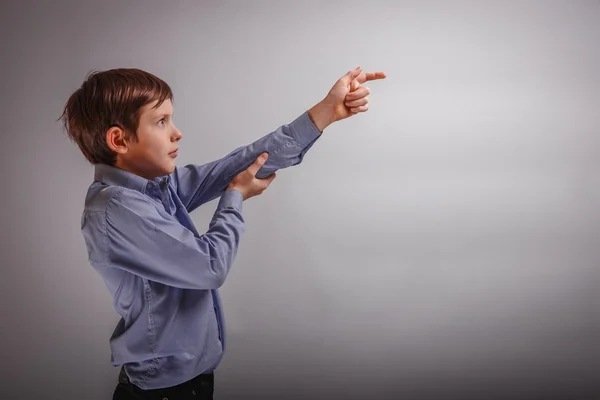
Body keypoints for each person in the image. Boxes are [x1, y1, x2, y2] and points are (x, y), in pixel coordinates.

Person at [59, 66, 386, 399]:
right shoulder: (116, 208)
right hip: (163, 391)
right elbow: (209, 267)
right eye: (161, 121)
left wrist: (325, 112)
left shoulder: (155, 187)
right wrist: (235, 197)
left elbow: (239, 164)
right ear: (119, 140)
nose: (177, 133)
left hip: (189, 382)